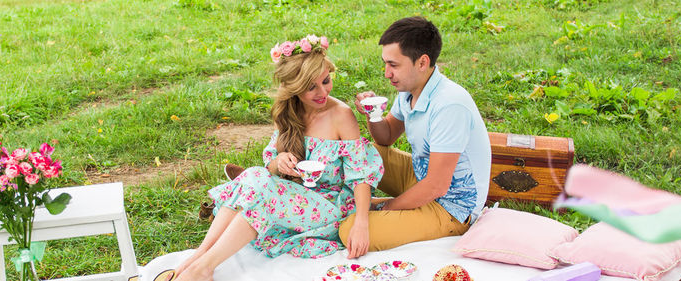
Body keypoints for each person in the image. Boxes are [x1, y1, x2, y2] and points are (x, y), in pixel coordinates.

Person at [169, 35, 384, 281]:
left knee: (262, 189)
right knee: (254, 175)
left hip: (330, 208)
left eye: (326, 81)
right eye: (311, 87)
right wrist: (278, 161)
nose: (322, 92)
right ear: (294, 88)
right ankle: (199, 257)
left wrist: (361, 223)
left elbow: (360, 175)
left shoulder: (341, 115)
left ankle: (203, 269)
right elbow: (269, 168)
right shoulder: (290, 112)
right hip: (292, 198)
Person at [340, 16, 492, 251]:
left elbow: (437, 186)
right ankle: (368, 205)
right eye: (385, 64)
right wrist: (373, 114)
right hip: (423, 178)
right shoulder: (410, 90)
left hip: (451, 207)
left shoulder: (449, 105)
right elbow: (386, 137)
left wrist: (388, 207)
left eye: (394, 65)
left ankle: (377, 209)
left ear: (422, 63)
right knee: (365, 152)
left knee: (348, 229)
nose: (386, 74)